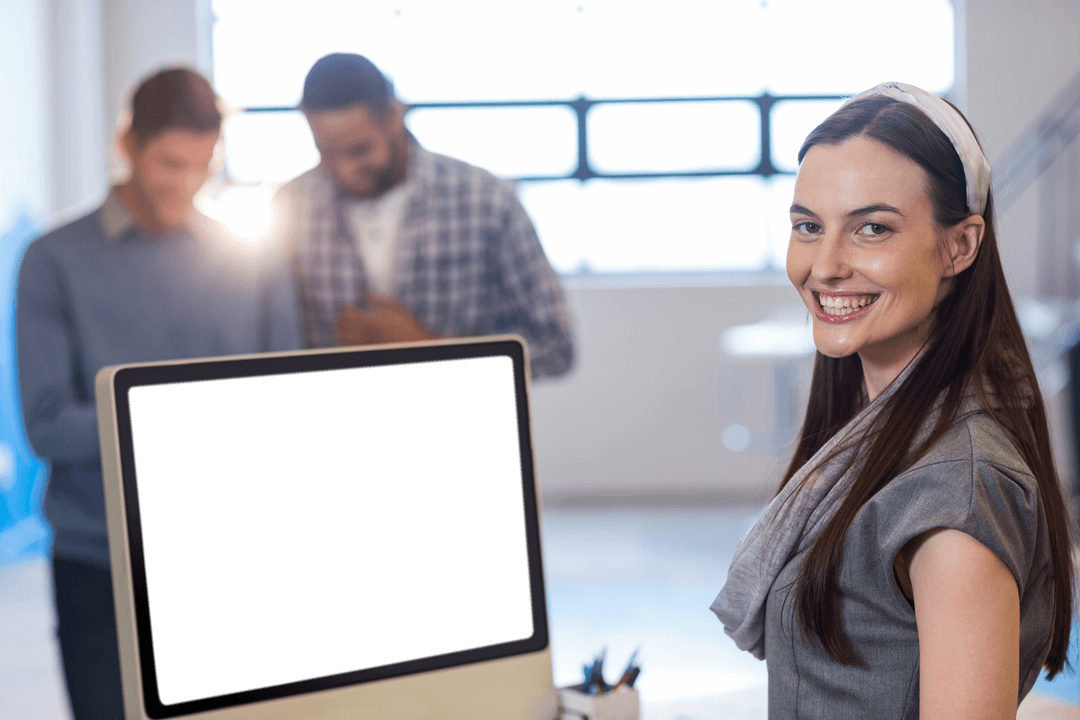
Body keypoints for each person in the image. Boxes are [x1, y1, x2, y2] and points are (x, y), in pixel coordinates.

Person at [711, 82, 1076, 719]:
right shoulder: (880, 437)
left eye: (871, 229)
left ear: (960, 245)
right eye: (808, 227)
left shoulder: (954, 493)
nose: (824, 266)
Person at [17, 68, 301, 719]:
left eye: (201, 166)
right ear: (128, 144)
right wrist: (189, 423)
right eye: (169, 162)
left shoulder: (249, 261)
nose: (184, 183)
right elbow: (48, 425)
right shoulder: (53, 259)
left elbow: (286, 405)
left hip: (230, 555)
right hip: (99, 560)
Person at [270, 53, 574, 378]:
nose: (344, 171)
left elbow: (555, 345)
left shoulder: (485, 200)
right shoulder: (290, 207)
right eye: (326, 152)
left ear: (393, 116)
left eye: (360, 150)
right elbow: (266, 343)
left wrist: (429, 348)